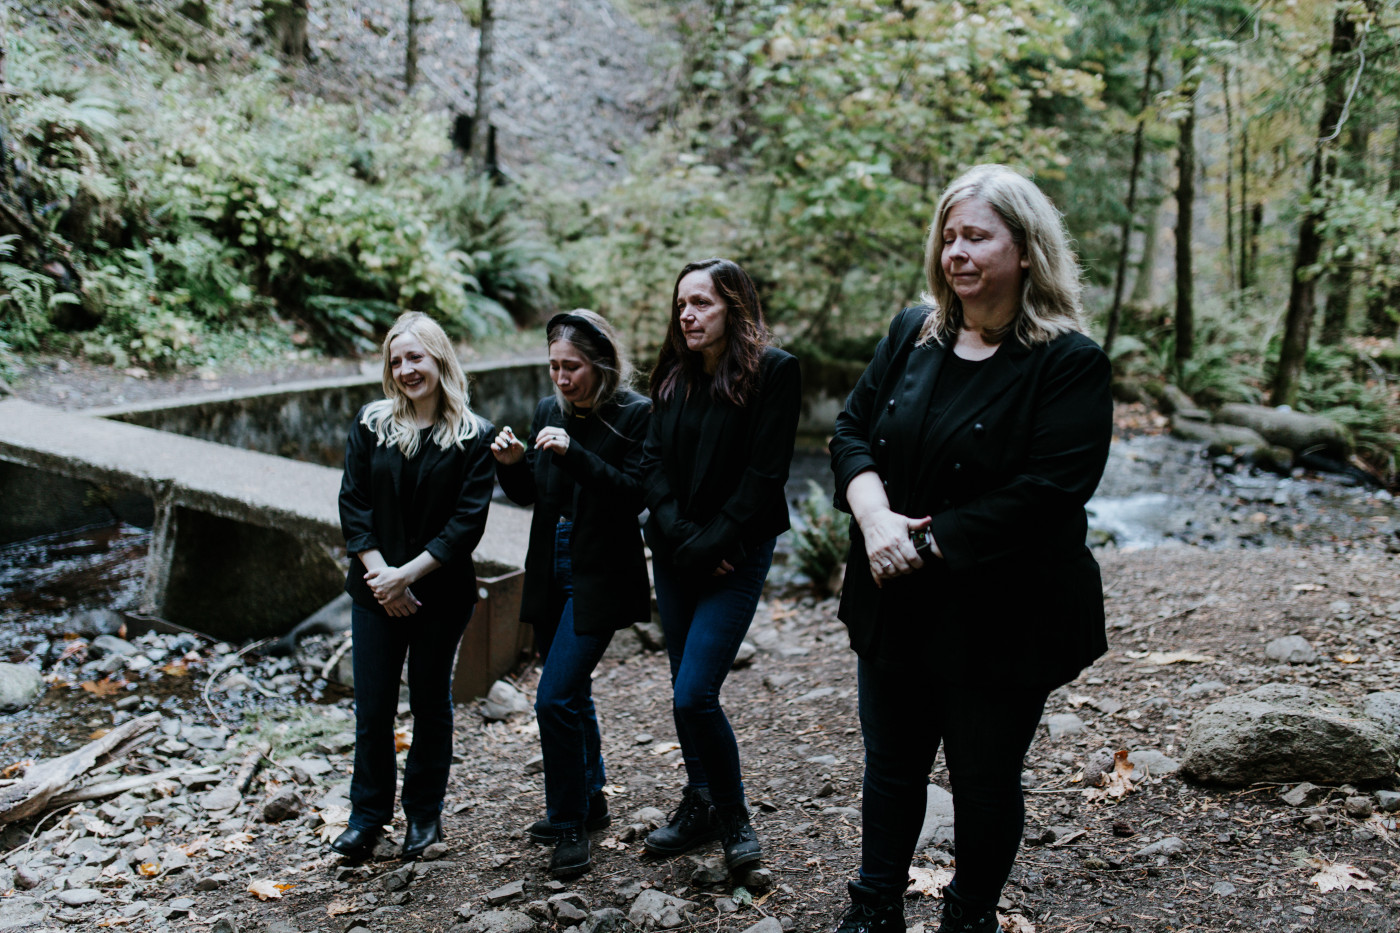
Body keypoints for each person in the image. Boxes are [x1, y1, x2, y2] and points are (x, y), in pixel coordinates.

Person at [827, 165, 1113, 933]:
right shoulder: (911, 332)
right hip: (895, 596)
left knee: (983, 778)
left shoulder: (1068, 361)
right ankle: (873, 907)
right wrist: (876, 518)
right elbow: (851, 432)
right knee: (891, 766)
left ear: (1025, 250)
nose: (956, 252)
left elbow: (1050, 491)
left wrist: (920, 541)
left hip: (1003, 610)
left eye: (977, 236)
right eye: (949, 236)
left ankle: (969, 917)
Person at [640, 258, 801, 873]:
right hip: (678, 553)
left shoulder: (774, 372)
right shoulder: (673, 374)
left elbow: (765, 475)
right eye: (681, 303)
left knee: (694, 694)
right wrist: (684, 540)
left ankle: (734, 818)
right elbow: (651, 464)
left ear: (734, 307)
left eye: (702, 303)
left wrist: (711, 544)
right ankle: (700, 799)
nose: (687, 315)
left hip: (736, 555)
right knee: (685, 687)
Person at [489, 310, 652, 878]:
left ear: (601, 365)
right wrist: (512, 467)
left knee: (553, 698)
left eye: (573, 367)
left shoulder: (635, 414)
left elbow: (634, 495)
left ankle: (568, 826)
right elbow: (534, 493)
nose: (561, 378)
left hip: (601, 573)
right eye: (554, 366)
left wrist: (573, 453)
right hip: (551, 565)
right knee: (573, 692)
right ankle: (591, 798)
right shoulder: (546, 411)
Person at [333, 311, 495, 862]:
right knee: (373, 708)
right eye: (396, 360)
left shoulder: (475, 435)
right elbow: (353, 503)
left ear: (440, 360)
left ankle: (424, 818)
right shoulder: (371, 423)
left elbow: (466, 524)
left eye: (416, 358)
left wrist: (408, 575)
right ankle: (367, 819)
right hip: (375, 591)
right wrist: (383, 575)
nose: (405, 369)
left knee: (430, 703)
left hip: (439, 594)